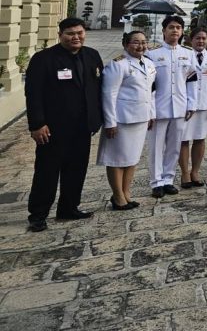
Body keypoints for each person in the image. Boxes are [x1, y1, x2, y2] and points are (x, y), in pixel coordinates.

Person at [25, 17, 104, 231]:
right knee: (47, 172)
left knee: (76, 169)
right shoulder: (44, 59)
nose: (76, 37)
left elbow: (97, 90)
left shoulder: (92, 56)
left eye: (79, 33)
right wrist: (37, 124)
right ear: (60, 35)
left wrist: (97, 119)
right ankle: (38, 214)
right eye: (70, 34)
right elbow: (33, 95)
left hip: (82, 126)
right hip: (53, 128)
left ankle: (69, 207)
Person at [98, 30, 155, 211]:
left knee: (132, 158)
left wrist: (151, 114)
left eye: (144, 42)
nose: (141, 46)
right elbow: (109, 94)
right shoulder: (118, 65)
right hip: (122, 119)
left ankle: (126, 192)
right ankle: (118, 196)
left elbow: (150, 92)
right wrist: (110, 122)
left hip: (140, 118)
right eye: (136, 42)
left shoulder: (149, 63)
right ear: (126, 44)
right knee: (116, 159)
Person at [147, 15, 191, 198]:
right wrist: (149, 110)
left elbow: (192, 81)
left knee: (174, 145)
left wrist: (192, 104)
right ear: (164, 30)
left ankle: (168, 178)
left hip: (180, 105)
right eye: (171, 27)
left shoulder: (188, 54)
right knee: (156, 146)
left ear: (182, 32)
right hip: (159, 106)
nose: (175, 30)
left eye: (178, 27)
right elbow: (148, 85)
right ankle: (156, 181)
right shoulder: (153, 54)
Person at [180, 28, 207, 188]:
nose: (201, 41)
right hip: (186, 105)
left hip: (205, 104)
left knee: (199, 138)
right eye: (197, 38)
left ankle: (195, 171)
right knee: (184, 140)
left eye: (204, 38)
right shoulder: (183, 56)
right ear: (191, 40)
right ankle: (185, 173)